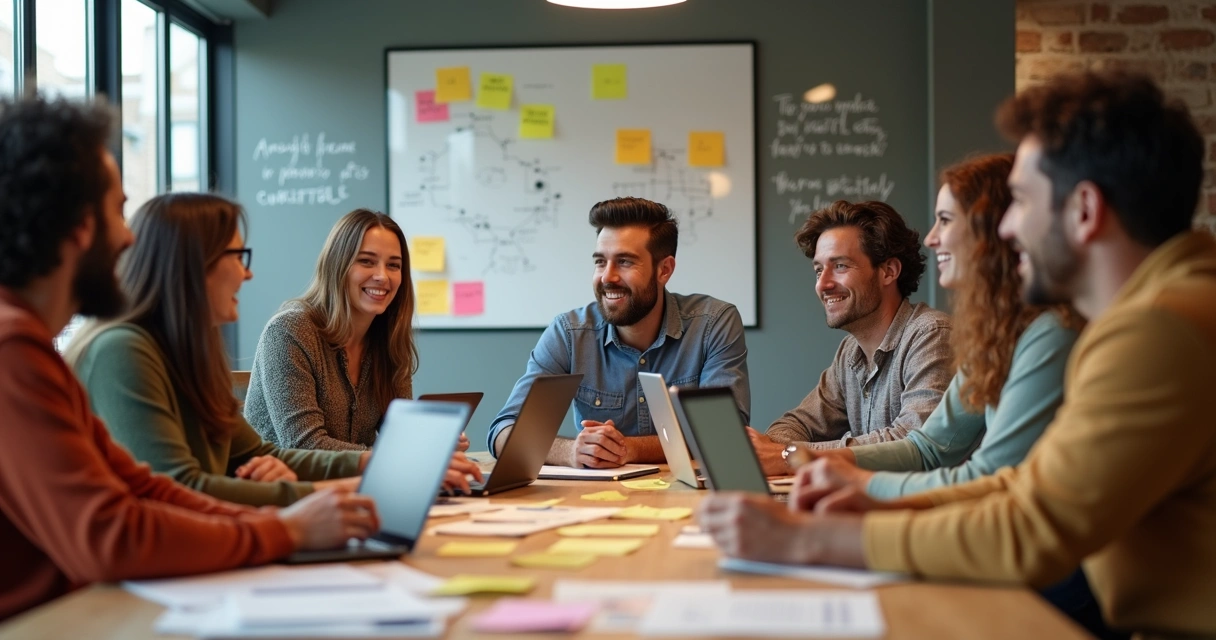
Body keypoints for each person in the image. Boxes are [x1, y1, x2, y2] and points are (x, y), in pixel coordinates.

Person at [699, 71, 1216, 637]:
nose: (1006, 228)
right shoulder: (1164, 310)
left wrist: (807, 539)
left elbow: (1028, 527)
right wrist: (861, 487)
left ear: (1085, 210)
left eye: (1021, 201)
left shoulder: (1155, 329)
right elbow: (1019, 488)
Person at [0, 96, 377, 622]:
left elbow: (147, 488)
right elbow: (114, 533)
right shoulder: (16, 349)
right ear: (82, 227)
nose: (129, 237)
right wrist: (286, 527)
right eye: (118, 211)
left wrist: (300, 513)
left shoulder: (32, 346)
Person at [804, 154, 1083, 499]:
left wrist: (848, 479)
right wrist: (811, 460)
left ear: (995, 228)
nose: (931, 238)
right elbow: (928, 447)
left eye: (946, 220)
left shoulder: (1049, 332)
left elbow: (990, 475)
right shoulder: (995, 334)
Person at [67, 193, 370, 507]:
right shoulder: (121, 352)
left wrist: (367, 464)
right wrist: (337, 493)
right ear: (194, 263)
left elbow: (258, 454)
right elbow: (180, 489)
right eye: (239, 257)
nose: (247, 273)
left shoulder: (186, 355)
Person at [488, 197, 749, 469]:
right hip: (597, 494)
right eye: (600, 262)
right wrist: (570, 452)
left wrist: (626, 448)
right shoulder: (569, 333)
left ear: (664, 270)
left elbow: (725, 434)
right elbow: (504, 432)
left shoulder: (713, 324)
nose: (607, 277)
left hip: (686, 493)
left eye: (624, 262)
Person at [244, 209, 481, 492]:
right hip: (284, 499)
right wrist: (404, 460)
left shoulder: (388, 340)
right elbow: (305, 445)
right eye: (366, 261)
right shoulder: (289, 331)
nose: (382, 276)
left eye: (394, 265)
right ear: (337, 265)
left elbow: (396, 440)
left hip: (359, 493)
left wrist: (431, 446)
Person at [748, 200, 954, 475]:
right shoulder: (850, 352)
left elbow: (912, 443)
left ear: (889, 271)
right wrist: (777, 451)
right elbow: (797, 425)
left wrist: (791, 456)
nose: (823, 284)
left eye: (840, 266)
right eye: (818, 270)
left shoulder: (932, 335)